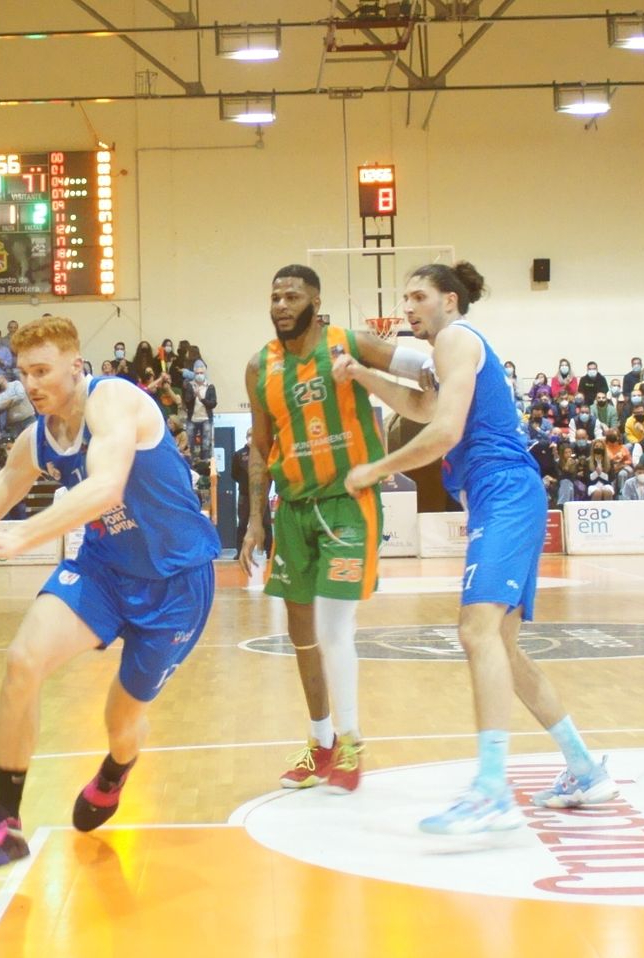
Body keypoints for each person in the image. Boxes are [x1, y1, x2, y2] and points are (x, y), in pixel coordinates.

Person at [0, 316, 219, 872]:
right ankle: (5, 822)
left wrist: (21, 534)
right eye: (23, 373)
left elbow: (104, 487)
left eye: (42, 371)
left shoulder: (113, 401)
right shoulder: (37, 437)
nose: (31, 385)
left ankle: (114, 771)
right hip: (103, 570)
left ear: (75, 366)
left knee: (121, 719)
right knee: (22, 660)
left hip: (177, 582)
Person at [334, 261, 615, 834]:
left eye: (418, 296)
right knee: (504, 651)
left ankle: (492, 789)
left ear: (451, 302)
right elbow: (421, 409)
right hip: (498, 496)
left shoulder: (458, 339)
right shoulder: (448, 352)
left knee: (475, 632)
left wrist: (375, 471)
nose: (407, 306)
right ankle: (584, 768)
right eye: (405, 297)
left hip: (506, 492)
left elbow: (444, 433)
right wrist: (362, 373)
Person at [242, 265, 392, 796]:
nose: (281, 305)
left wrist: (449, 363)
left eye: (292, 296)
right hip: (294, 508)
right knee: (300, 634)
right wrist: (256, 519)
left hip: (347, 501)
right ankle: (320, 741)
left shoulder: (346, 342)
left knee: (332, 626)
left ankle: (351, 744)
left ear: (315, 300)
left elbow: (412, 362)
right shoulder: (260, 366)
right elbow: (261, 447)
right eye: (275, 296)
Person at [182, 362, 216, 461]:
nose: (199, 375)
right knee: (189, 444)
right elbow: (187, 402)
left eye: (201, 373)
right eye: (197, 373)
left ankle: (205, 465)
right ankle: (190, 466)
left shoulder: (210, 386)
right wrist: (194, 395)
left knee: (206, 445)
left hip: (206, 419)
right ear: (194, 374)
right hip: (192, 419)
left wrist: (202, 399)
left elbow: (213, 403)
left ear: (204, 373)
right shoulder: (190, 385)